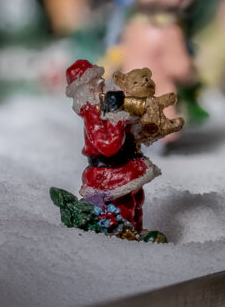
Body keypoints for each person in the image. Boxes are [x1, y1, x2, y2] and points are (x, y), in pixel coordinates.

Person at [64, 59, 159, 232]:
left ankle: (136, 232)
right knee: (123, 205)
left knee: (136, 199)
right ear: (89, 89)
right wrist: (115, 115)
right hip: (109, 173)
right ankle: (125, 236)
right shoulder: (92, 114)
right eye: (100, 86)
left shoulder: (100, 109)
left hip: (123, 166)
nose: (104, 88)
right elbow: (108, 146)